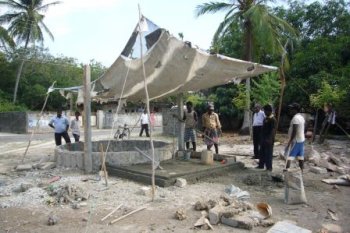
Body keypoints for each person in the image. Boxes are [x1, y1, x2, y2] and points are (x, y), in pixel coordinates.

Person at [285, 103, 305, 171]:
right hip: (301, 139)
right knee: (300, 156)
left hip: (296, 140)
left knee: (290, 155)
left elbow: (295, 131)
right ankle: (302, 169)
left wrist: (290, 140)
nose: (290, 110)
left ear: (295, 110)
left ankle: (286, 169)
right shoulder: (301, 117)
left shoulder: (296, 118)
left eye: (292, 109)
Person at [256, 104, 276, 171]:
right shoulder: (265, 118)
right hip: (263, 139)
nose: (264, 112)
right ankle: (261, 165)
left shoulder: (272, 119)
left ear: (269, 111)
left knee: (268, 154)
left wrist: (270, 139)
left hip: (269, 139)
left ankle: (269, 167)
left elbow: (273, 131)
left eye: (265, 111)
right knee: (262, 152)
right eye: (264, 111)